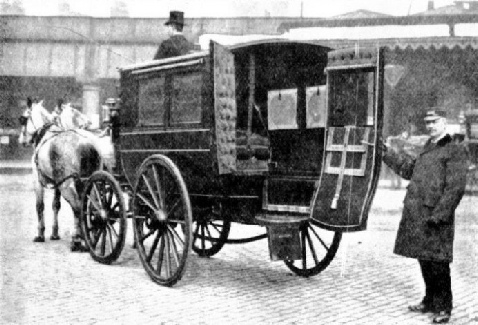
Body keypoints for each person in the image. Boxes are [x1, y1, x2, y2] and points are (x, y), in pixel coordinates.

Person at [382, 108, 468, 324]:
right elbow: (408, 170)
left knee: (439, 262)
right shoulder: (427, 147)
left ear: (445, 123)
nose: (430, 126)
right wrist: (386, 153)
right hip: (418, 213)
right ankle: (429, 300)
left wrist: (440, 215)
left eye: (435, 122)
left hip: (436, 216)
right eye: (428, 122)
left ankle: (444, 308)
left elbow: (455, 188)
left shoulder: (454, 150)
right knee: (424, 259)